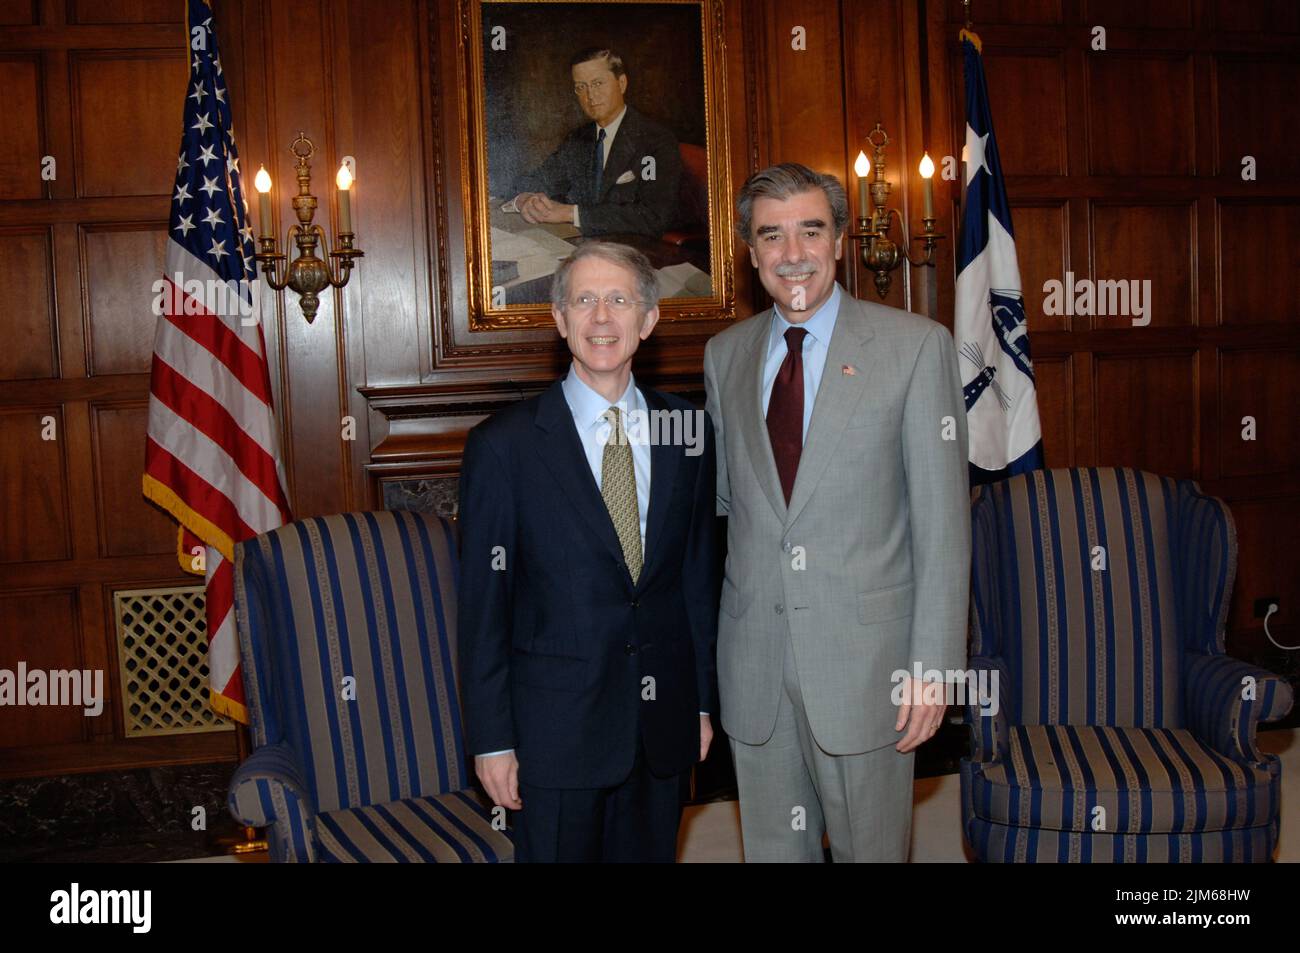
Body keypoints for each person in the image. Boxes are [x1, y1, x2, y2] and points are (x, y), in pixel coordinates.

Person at [703, 163, 971, 862]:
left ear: (842, 239)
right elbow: (729, 507)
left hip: (869, 666)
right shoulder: (723, 356)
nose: (793, 253)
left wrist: (933, 666)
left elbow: (945, 527)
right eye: (772, 235)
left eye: (810, 230)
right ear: (751, 252)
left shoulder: (915, 347)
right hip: (755, 665)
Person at [458, 241, 718, 862]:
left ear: (648, 321)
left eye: (619, 300)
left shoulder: (688, 431)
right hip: (554, 738)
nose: (602, 317)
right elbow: (482, 608)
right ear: (559, 319)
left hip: (661, 729)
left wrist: (701, 703)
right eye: (584, 300)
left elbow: (697, 582)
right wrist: (492, 741)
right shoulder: (505, 446)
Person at [509, 47, 682, 239]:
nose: (590, 96)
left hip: (636, 249)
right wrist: (525, 199)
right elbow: (538, 178)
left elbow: (653, 217)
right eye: (581, 87)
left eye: (598, 83)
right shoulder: (578, 139)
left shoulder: (655, 140)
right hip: (582, 245)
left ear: (622, 83)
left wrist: (570, 213)